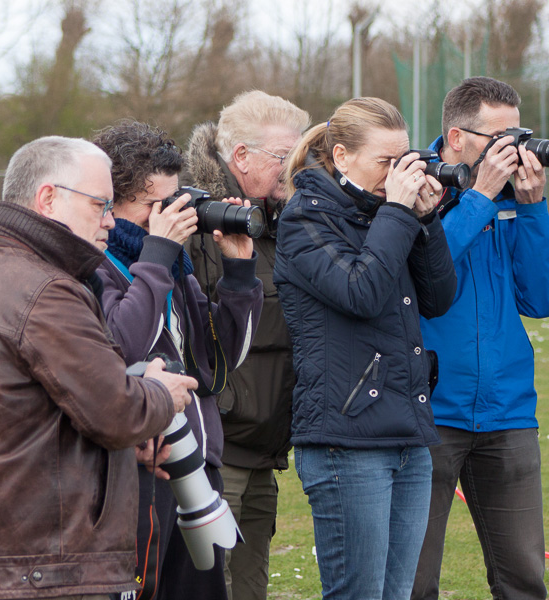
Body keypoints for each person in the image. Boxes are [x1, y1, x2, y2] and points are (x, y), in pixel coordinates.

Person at [0, 136, 195, 600]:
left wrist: (123, 452)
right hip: (38, 568)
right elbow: (115, 410)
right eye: (100, 204)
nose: (110, 219)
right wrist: (162, 393)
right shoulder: (43, 288)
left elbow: (20, 419)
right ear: (48, 198)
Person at [273, 97, 457, 600]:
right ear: (341, 156)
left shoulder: (389, 215)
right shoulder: (304, 219)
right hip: (345, 441)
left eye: (404, 160)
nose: (398, 173)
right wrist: (398, 210)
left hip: (407, 434)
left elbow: (439, 299)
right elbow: (361, 293)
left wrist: (426, 220)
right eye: (385, 162)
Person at [412, 77, 549, 600]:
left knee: (525, 579)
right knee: (415, 581)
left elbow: (546, 298)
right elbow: (421, 276)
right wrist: (478, 198)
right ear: (457, 138)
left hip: (507, 413)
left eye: (519, 135)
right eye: (498, 138)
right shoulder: (415, 188)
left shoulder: (514, 200)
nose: (513, 149)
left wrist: (531, 207)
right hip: (432, 411)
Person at [92, 119, 263, 600]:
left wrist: (238, 271)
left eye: (173, 200)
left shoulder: (174, 267)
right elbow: (121, 349)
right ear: (110, 202)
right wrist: (159, 253)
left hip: (197, 465)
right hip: (141, 470)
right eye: (154, 206)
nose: (168, 215)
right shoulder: (99, 268)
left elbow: (218, 365)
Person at [183, 90, 309, 600]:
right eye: (284, 158)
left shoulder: (282, 221)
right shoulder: (200, 225)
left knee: (251, 587)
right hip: (217, 450)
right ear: (241, 157)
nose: (293, 170)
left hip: (266, 450)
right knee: (213, 587)